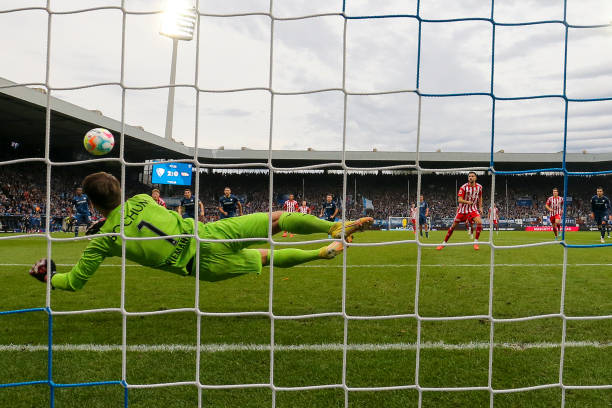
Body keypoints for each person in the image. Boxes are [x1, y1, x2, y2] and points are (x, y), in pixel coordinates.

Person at [28, 172, 374, 291]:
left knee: (267, 258)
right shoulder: (145, 199)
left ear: (92, 203)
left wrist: (51, 276)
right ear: (119, 188)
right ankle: (333, 227)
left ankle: (319, 253)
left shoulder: (102, 240)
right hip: (210, 233)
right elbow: (142, 214)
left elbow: (73, 283)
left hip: (199, 266)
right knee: (277, 219)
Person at [437, 172, 483, 251]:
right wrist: (468, 202)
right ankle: (444, 243)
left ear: (476, 178)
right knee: (453, 226)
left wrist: (480, 207)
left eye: (472, 176)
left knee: (479, 222)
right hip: (462, 211)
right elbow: (459, 200)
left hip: (473, 209)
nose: (471, 177)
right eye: (469, 176)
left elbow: (480, 197)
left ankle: (475, 242)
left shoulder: (479, 187)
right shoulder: (464, 187)